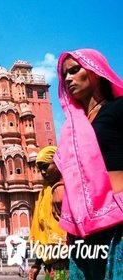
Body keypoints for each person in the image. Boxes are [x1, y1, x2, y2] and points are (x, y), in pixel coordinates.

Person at [55, 49, 123, 279]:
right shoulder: (73, 126)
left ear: (95, 72)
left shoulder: (118, 108)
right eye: (64, 74)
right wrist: (59, 185)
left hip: (118, 221)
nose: (67, 79)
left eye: (75, 70)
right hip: (84, 228)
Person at [28, 146, 68, 280]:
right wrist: (36, 264)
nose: (43, 172)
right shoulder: (44, 194)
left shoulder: (70, 189)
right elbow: (43, 234)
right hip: (50, 266)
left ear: (58, 162)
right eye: (40, 169)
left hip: (71, 262)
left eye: (45, 166)